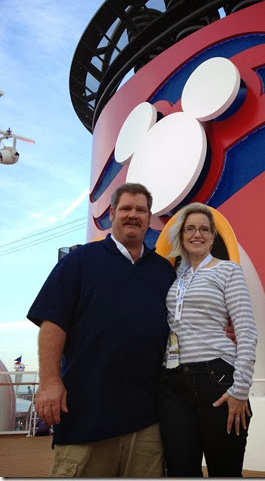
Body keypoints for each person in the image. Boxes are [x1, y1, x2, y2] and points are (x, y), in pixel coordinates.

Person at [27, 183, 176, 477]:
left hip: (147, 421)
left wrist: (223, 329)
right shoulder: (80, 261)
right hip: (86, 417)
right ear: (112, 213)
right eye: (126, 208)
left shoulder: (164, 271)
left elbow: (184, 321)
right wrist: (49, 382)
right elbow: (52, 323)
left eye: (141, 210)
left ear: (149, 218)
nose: (133, 215)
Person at [159, 202, 258, 477]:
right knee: (180, 471)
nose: (197, 234)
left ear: (213, 236)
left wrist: (240, 389)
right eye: (190, 229)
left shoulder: (228, 271)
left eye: (204, 229)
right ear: (181, 235)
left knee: (225, 471)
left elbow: (246, 329)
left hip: (217, 378)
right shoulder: (172, 278)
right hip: (173, 384)